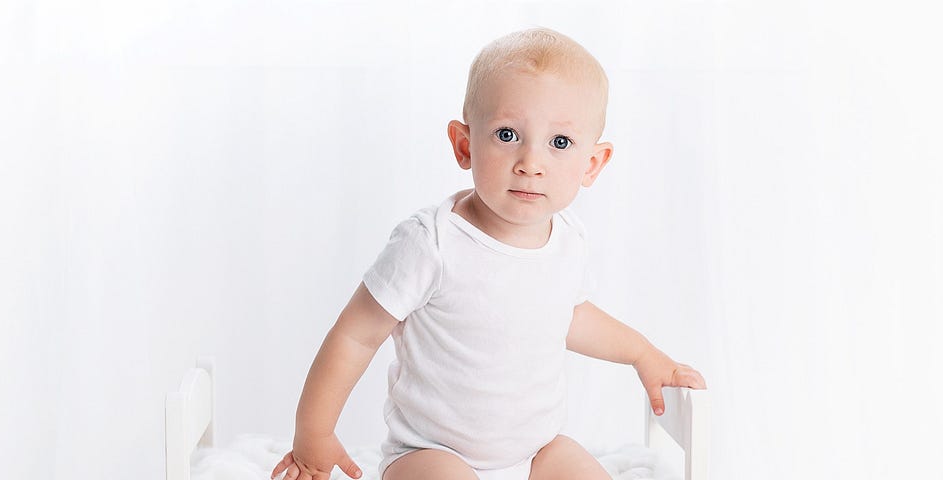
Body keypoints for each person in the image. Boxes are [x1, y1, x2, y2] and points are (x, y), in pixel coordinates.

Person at [270, 27, 706, 480]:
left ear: (591, 164)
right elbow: (355, 336)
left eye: (559, 143)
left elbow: (569, 316)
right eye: (507, 134)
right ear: (464, 145)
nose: (530, 162)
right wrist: (314, 432)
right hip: (430, 451)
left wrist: (643, 353)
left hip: (536, 449)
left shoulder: (568, 240)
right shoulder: (431, 242)